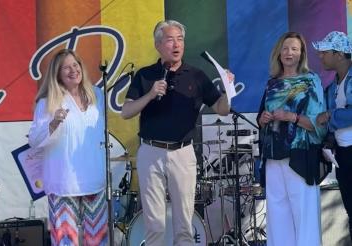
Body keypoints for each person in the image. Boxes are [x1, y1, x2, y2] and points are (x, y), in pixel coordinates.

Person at [121, 20, 230, 245]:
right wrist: (150, 95)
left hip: (183, 153)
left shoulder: (196, 75)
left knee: (184, 225)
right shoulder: (146, 74)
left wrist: (227, 90)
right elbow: (126, 112)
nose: (176, 44)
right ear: (158, 45)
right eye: (170, 39)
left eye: (180, 39)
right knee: (154, 225)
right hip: (151, 152)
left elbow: (222, 108)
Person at [28, 49, 107, 246]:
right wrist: (53, 123)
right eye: (66, 68)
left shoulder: (97, 94)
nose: (73, 70)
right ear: (57, 74)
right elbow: (34, 140)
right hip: (63, 181)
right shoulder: (48, 101)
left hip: (93, 179)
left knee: (98, 241)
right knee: (65, 242)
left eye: (75, 65)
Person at [257, 31, 327, 246]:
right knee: (277, 216)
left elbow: (318, 124)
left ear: (301, 54)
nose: (289, 52)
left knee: (304, 215)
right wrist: (264, 118)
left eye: (294, 49)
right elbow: (260, 120)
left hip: (300, 156)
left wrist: (291, 116)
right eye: (285, 48)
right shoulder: (272, 83)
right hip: (272, 157)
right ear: (279, 53)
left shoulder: (310, 80)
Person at [314, 31, 352, 241]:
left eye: (324, 52)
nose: (320, 57)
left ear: (339, 54)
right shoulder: (333, 86)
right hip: (344, 156)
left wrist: (329, 115)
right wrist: (329, 140)